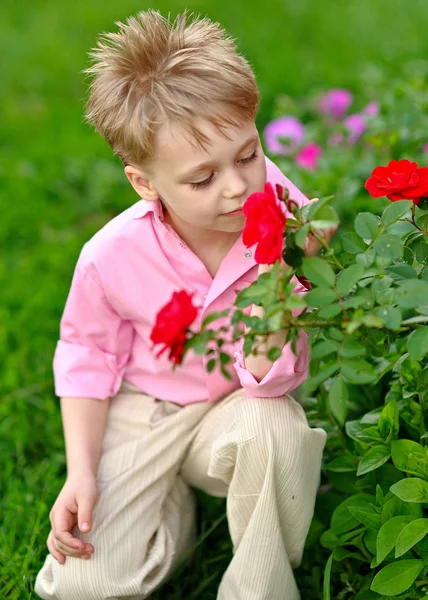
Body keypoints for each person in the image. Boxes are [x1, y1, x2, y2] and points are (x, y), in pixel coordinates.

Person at [35, 9, 330, 600]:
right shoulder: (110, 254)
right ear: (144, 183)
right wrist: (82, 472)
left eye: (248, 154)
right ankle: (166, 511)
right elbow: (86, 354)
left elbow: (274, 381)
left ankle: (259, 587)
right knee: (87, 582)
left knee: (275, 428)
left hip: (238, 408)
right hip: (146, 411)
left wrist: (282, 281)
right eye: (201, 179)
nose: (238, 186)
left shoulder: (285, 213)